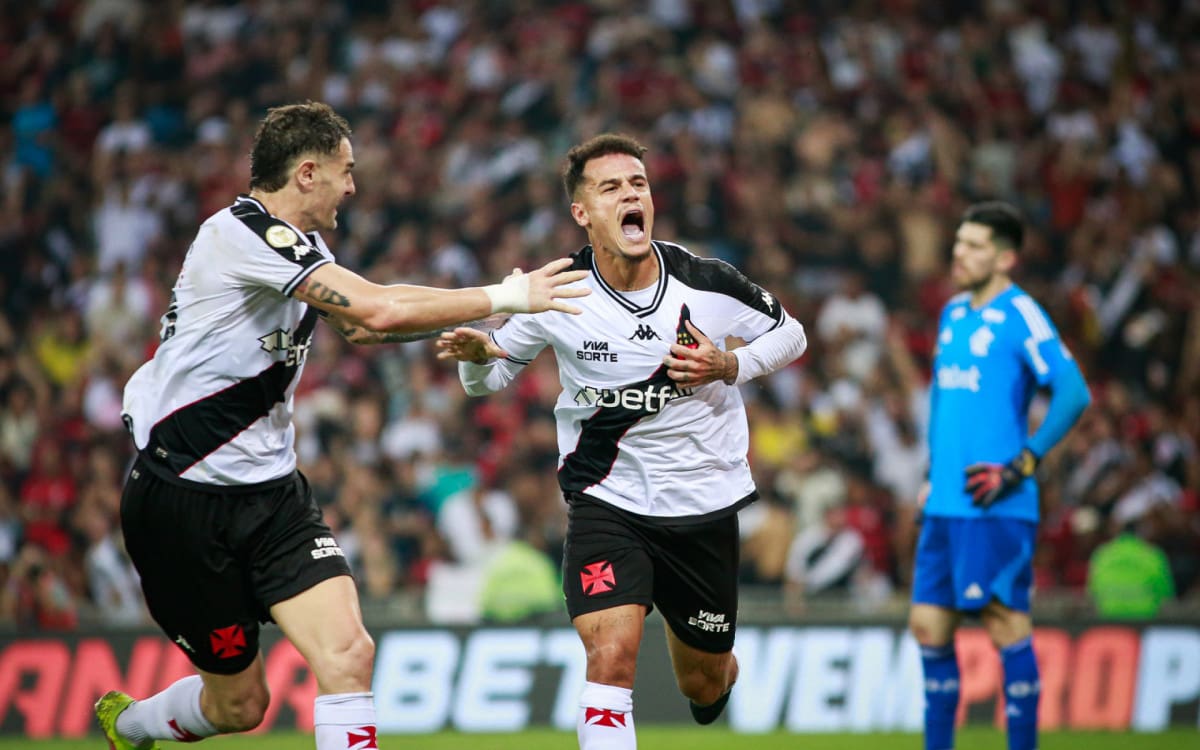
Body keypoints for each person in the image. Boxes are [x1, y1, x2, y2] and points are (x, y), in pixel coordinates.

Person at [94, 101, 589, 750]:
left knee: (350, 655)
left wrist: (466, 328)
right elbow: (376, 311)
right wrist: (505, 297)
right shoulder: (239, 235)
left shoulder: (306, 247)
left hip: (272, 498)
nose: (353, 186)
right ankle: (130, 725)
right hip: (183, 500)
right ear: (306, 173)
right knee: (241, 705)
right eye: (344, 170)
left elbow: (359, 324)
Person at [436, 133, 807, 749]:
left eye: (638, 184)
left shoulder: (705, 281)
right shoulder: (557, 291)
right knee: (610, 657)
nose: (631, 195)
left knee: (704, 681)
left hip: (702, 506)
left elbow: (790, 334)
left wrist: (730, 366)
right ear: (582, 213)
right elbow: (489, 376)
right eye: (611, 187)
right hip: (608, 502)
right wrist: (476, 356)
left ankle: (713, 674)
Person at [908, 201, 1091, 750]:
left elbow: (1073, 392)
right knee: (928, 626)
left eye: (974, 245)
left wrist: (1024, 463)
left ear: (1006, 257)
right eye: (959, 242)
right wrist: (931, 471)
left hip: (995, 504)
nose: (959, 253)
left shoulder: (1022, 314)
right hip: (945, 500)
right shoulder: (953, 313)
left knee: (1004, 622)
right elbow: (943, 401)